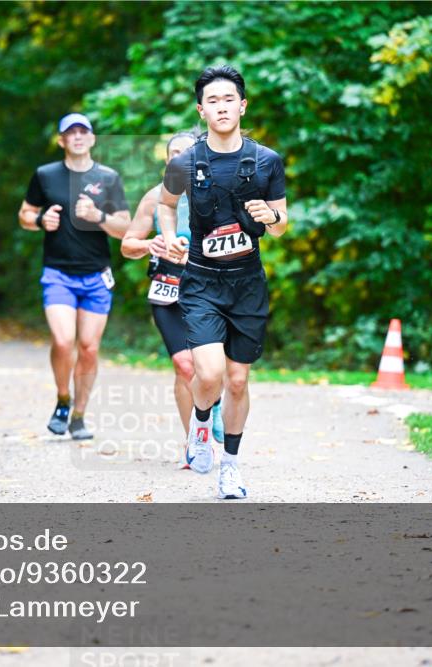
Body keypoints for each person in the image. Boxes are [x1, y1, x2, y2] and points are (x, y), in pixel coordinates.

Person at [158, 65, 288, 499]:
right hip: (201, 282)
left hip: (247, 283)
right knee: (209, 375)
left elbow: (282, 223)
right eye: (212, 101)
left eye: (228, 99)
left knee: (237, 381)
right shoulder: (184, 162)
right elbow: (166, 203)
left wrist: (272, 218)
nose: (221, 106)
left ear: (242, 105)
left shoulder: (267, 161)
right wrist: (170, 237)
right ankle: (199, 423)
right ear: (201, 110)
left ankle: (229, 467)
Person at [18, 113, 131, 440]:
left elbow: (124, 228)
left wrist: (98, 216)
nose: (78, 136)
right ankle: (62, 400)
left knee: (89, 348)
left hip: (96, 276)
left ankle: (79, 416)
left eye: (84, 131)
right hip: (58, 274)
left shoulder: (108, 178)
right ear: (62, 140)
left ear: (93, 139)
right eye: (71, 132)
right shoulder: (45, 175)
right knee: (64, 341)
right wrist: (39, 219)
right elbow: (24, 214)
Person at [121, 131, 224, 468]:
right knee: (184, 367)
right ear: (167, 161)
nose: (180, 158)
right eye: (173, 153)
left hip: (208, 291)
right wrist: (151, 244)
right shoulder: (154, 198)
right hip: (167, 290)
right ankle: (196, 442)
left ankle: (212, 405)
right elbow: (127, 245)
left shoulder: (213, 193)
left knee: (210, 370)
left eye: (187, 152)